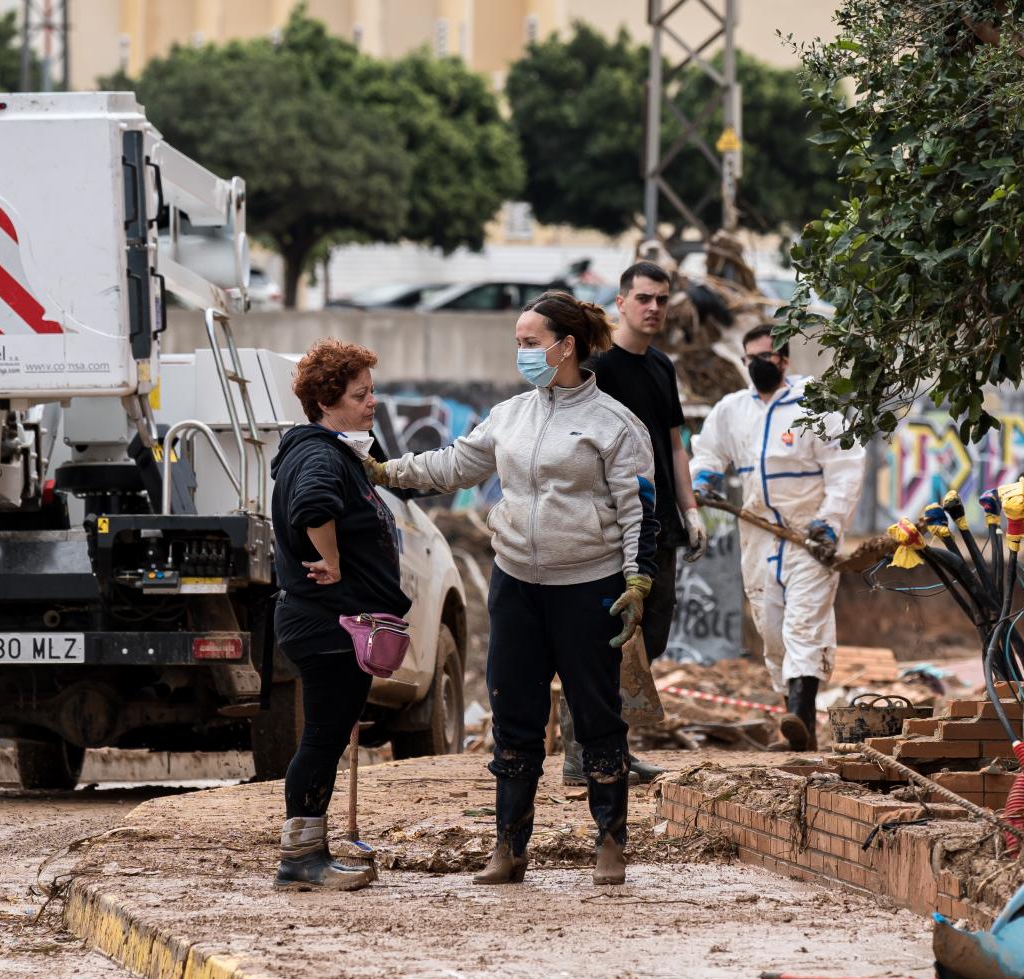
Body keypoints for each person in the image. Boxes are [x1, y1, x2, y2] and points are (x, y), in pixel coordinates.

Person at [368, 291, 660, 887]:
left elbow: (640, 512)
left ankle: (610, 842)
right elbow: (454, 465)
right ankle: (509, 847)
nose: (520, 353)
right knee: (513, 712)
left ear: (565, 346)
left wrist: (637, 579)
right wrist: (385, 471)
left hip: (589, 586)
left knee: (597, 714)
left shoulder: (616, 424)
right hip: (516, 584)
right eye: (519, 343)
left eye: (529, 343)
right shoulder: (510, 415)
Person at [555, 260, 706, 786]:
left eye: (662, 299)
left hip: (659, 527)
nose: (654, 308)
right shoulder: (598, 368)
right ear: (620, 302)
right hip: (613, 528)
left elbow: (674, 444)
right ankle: (582, 753)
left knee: (648, 640)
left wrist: (689, 509)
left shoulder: (662, 367)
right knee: (604, 638)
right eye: (643, 298)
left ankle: (613, 746)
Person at [268, 339, 411, 891]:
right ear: (328, 402)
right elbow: (312, 506)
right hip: (327, 623)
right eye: (361, 394)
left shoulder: (327, 451)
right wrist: (329, 558)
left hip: (332, 623)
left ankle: (310, 850)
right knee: (323, 737)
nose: (373, 402)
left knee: (326, 735)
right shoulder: (321, 455)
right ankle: (301, 858)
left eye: (371, 390)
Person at [689, 324, 865, 751]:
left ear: (784, 360)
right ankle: (794, 718)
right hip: (758, 535)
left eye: (765, 357)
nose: (756, 366)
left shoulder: (815, 405)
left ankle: (802, 717)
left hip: (809, 536)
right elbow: (709, 450)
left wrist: (829, 522)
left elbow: (844, 469)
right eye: (749, 359)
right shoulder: (733, 410)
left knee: (805, 623)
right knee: (771, 628)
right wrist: (706, 478)